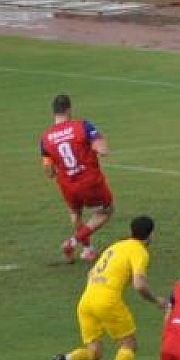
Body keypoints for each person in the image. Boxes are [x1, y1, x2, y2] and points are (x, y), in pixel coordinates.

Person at [49, 215, 165, 360]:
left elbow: (90, 273)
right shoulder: (140, 252)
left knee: (95, 352)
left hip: (86, 299)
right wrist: (156, 300)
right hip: (107, 300)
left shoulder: (116, 246)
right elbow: (139, 285)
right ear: (150, 235)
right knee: (129, 345)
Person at [40, 93, 114, 263]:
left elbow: (49, 171)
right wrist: (100, 141)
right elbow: (102, 150)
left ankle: (87, 250)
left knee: (75, 212)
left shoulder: (45, 139)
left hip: (67, 185)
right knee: (107, 209)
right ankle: (73, 242)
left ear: (53, 113)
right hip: (90, 180)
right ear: (69, 109)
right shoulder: (82, 126)